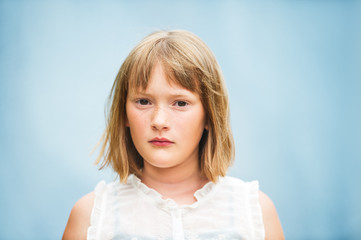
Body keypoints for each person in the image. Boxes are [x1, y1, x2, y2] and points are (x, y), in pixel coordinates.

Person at [62, 30, 284, 240]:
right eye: (143, 101)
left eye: (180, 103)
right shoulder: (91, 216)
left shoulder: (254, 212)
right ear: (124, 114)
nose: (159, 121)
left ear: (209, 115)